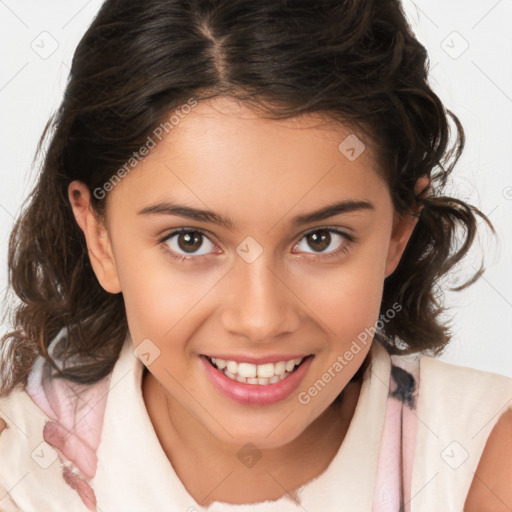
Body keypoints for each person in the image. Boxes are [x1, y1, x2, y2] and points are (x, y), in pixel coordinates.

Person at [0, 0, 511, 510]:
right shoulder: (20, 476)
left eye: (320, 239)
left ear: (398, 232)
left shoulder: (482, 458)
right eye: (189, 241)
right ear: (100, 237)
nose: (260, 320)